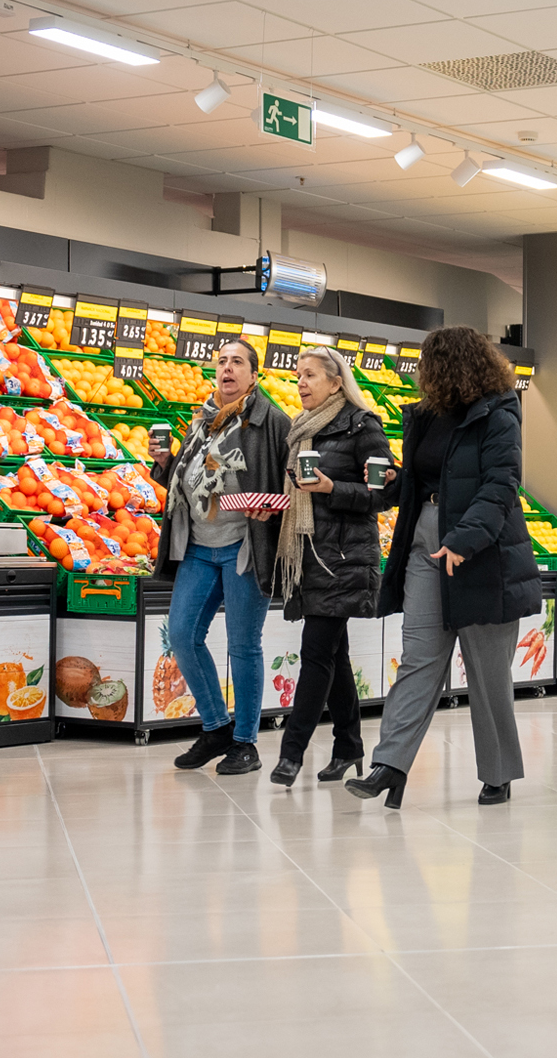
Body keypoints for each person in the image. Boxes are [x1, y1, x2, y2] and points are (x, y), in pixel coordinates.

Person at [347, 326, 539, 809]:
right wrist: (392, 482)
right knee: (419, 657)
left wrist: (464, 540)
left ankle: (498, 773)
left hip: (483, 551)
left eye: (428, 365)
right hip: (424, 543)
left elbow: (501, 484)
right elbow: (419, 482)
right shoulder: (426, 416)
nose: (421, 375)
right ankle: (389, 766)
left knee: (487, 672)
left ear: (453, 366)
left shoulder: (498, 414)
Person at [151, 337, 290, 775]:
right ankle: (216, 728)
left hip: (244, 547)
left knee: (243, 645)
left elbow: (292, 485)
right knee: (181, 635)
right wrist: (167, 463)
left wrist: (272, 508)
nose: (227, 369)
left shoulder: (272, 422)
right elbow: (192, 478)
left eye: (237, 363)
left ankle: (245, 743)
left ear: (254, 375)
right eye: (222, 362)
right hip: (197, 545)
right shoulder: (204, 419)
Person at [269, 347, 394, 787]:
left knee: (316, 653)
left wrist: (331, 488)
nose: (301, 383)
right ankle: (349, 746)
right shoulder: (301, 429)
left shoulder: (363, 426)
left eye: (310, 375)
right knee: (334, 655)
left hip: (342, 557)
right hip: (308, 556)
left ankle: (291, 754)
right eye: (297, 376)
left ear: (336, 382)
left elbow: (384, 495)